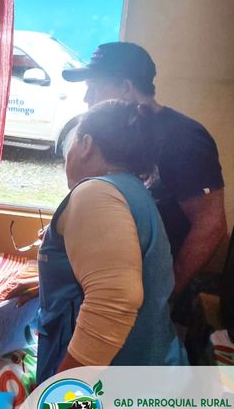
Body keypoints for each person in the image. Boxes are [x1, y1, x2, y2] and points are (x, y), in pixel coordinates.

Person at [17, 100, 188, 384]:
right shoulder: (131, 190)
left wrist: (59, 398)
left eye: (72, 142)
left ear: (86, 144)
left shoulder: (95, 194)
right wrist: (46, 286)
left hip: (111, 388)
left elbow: (114, 303)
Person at [62, 42, 227, 317]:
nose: (86, 99)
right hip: (112, 282)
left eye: (94, 88)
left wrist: (165, 294)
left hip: (149, 293)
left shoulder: (184, 138)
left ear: (126, 89)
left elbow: (211, 225)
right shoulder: (117, 136)